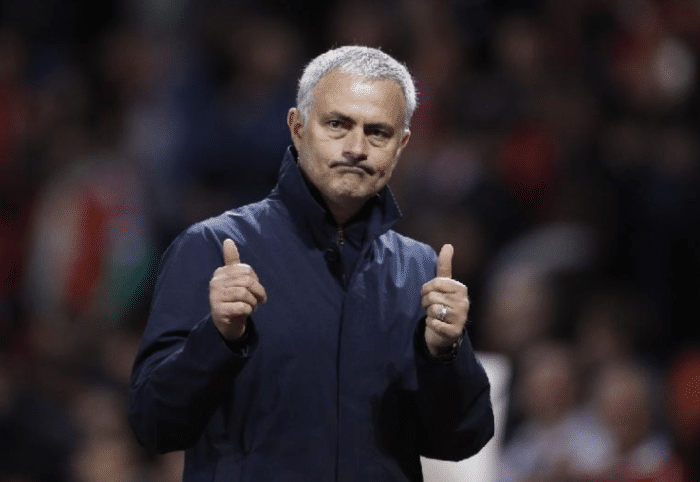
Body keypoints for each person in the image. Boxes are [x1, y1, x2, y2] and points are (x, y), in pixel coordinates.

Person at [128, 45, 493, 481]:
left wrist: (444, 355)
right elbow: (153, 423)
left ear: (401, 146)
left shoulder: (420, 270)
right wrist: (219, 338)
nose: (356, 148)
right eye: (338, 124)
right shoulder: (210, 248)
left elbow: (460, 441)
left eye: (378, 132)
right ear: (298, 128)